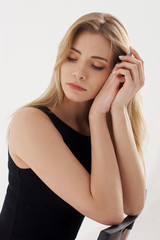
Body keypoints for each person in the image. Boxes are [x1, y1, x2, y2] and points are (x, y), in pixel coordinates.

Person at [0, 12, 146, 240]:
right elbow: (110, 214)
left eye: (96, 66)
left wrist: (117, 109)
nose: (79, 73)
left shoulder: (101, 131)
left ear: (116, 74)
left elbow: (133, 204)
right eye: (71, 57)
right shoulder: (29, 122)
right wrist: (97, 115)